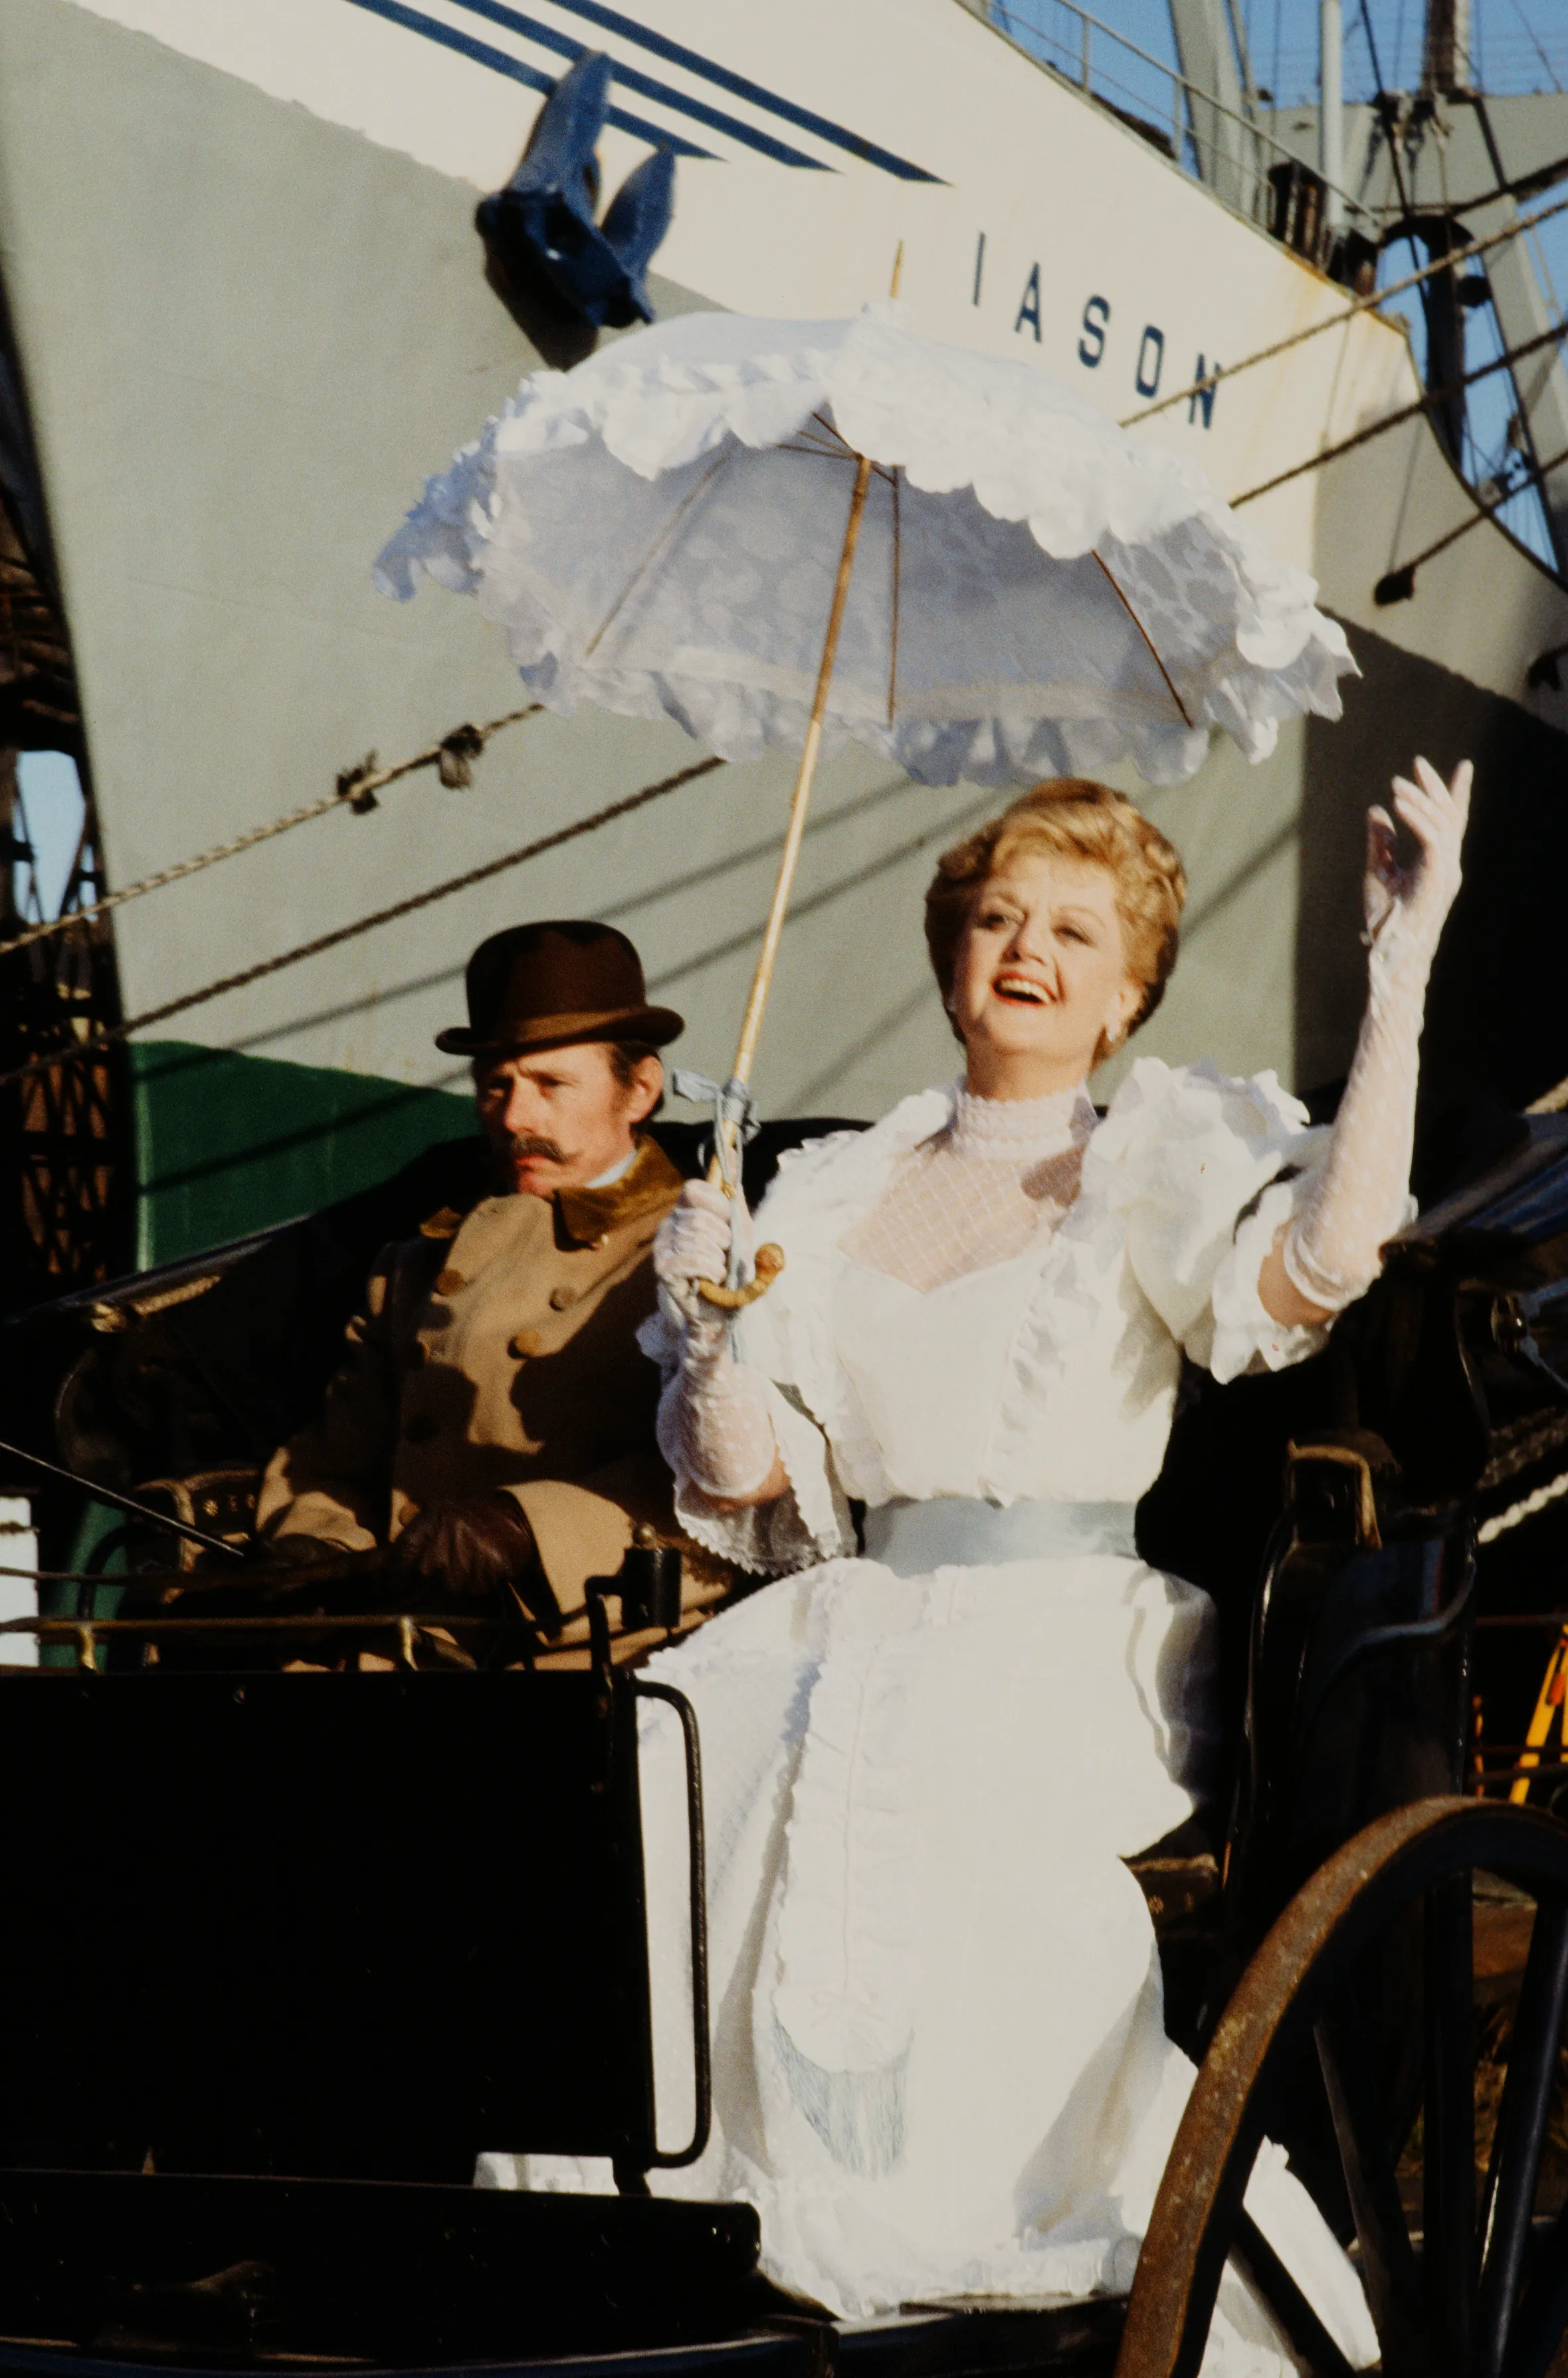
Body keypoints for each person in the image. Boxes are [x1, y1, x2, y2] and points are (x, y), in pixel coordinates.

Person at [627, 762, 1468, 2361]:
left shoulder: (1150, 1152)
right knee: (680, 1754)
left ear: (1126, 993)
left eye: (1078, 931)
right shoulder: (833, 1186)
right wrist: (712, 1337)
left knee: (927, 1770)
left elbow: (1320, 1266)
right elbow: (741, 1484)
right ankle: (727, 2224)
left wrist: (1400, 966)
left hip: (1063, 1637)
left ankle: (972, 2226)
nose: (1029, 947)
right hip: (852, 1611)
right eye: (1000, 916)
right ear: (951, 955)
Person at [254, 919, 729, 1655]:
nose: (513, 1118)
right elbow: (333, 1464)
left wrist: (525, 1525)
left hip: (588, 1649)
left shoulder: (698, 1252)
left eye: (550, 1084)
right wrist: (316, 1549)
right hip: (395, 1642)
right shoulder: (411, 1266)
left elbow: (731, 1493)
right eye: (495, 1086)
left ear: (639, 1089)